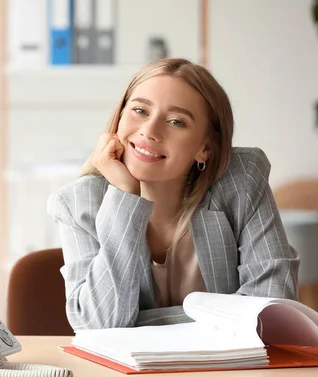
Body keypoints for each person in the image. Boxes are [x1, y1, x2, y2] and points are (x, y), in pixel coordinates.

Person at [46, 58, 299, 331]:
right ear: (119, 117)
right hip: (125, 375)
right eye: (140, 110)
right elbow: (98, 326)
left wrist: (138, 327)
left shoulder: (241, 180)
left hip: (227, 371)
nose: (150, 131)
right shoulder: (77, 204)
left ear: (205, 148)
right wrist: (125, 196)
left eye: (176, 121)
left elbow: (272, 307)